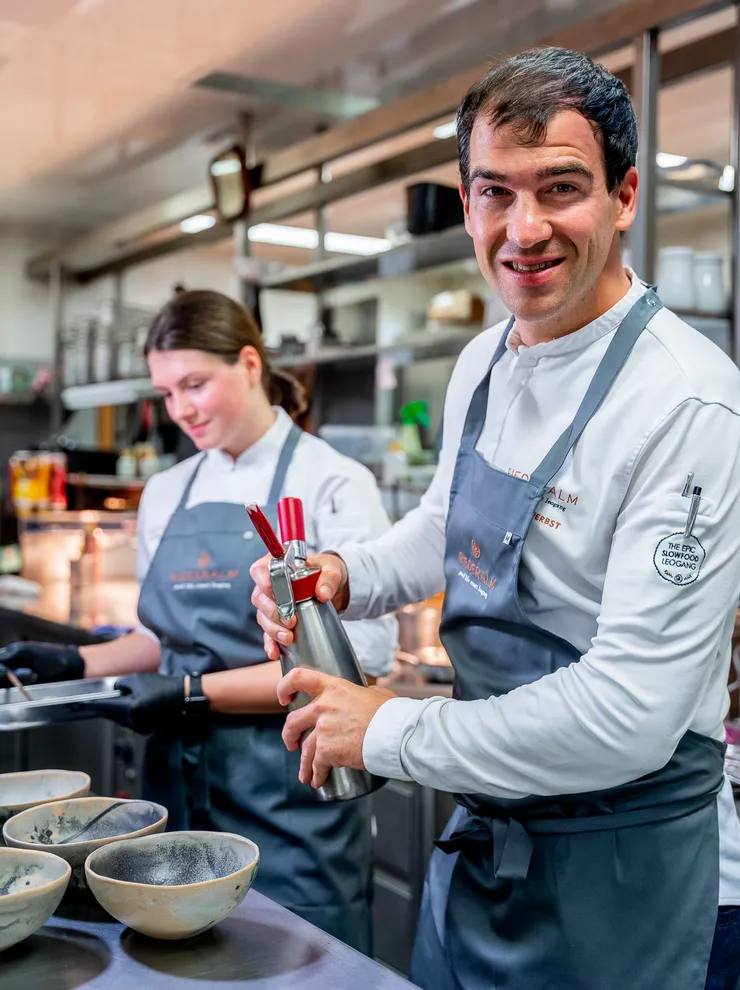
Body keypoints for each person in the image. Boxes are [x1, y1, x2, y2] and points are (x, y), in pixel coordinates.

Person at [251, 48, 740, 990]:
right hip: (486, 836)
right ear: (466, 204)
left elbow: (627, 715)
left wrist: (389, 729)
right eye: (494, 194)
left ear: (625, 195)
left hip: (620, 871)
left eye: (561, 187)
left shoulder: (688, 404)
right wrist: (345, 575)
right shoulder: (485, 361)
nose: (525, 230)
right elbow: (448, 527)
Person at [0, 289, 397, 954]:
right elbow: (164, 638)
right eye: (167, 392)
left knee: (301, 966)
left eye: (194, 384)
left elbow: (364, 658)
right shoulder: (167, 490)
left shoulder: (334, 480)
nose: (180, 410)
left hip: (291, 797)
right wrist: (77, 662)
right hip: (176, 799)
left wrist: (192, 693)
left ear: (248, 363)